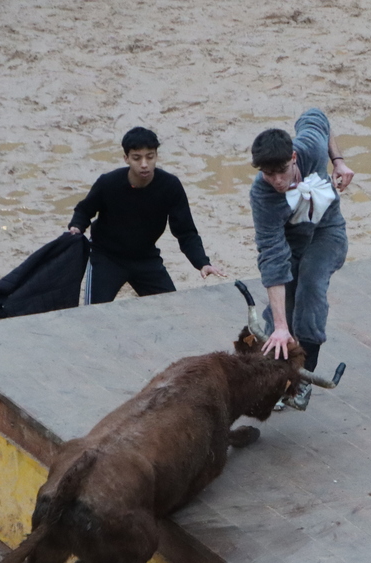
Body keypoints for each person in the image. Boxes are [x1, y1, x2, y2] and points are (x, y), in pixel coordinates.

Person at [249, 108, 354, 410]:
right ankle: (273, 376)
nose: (277, 181)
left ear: (294, 157)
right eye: (268, 174)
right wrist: (281, 325)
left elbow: (317, 116)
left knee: (310, 285)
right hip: (291, 244)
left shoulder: (310, 147)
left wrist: (338, 161)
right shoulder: (263, 196)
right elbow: (272, 258)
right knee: (284, 308)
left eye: (282, 171)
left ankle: (303, 379)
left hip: (326, 233)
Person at [68, 127, 225, 304]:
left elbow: (186, 232)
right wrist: (76, 227)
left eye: (150, 157)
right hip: (106, 257)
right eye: (137, 158)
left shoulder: (170, 186)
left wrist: (202, 263)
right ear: (126, 158)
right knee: (93, 313)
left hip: (145, 258)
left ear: (156, 156)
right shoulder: (108, 183)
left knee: (173, 308)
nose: (144, 164)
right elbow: (84, 210)